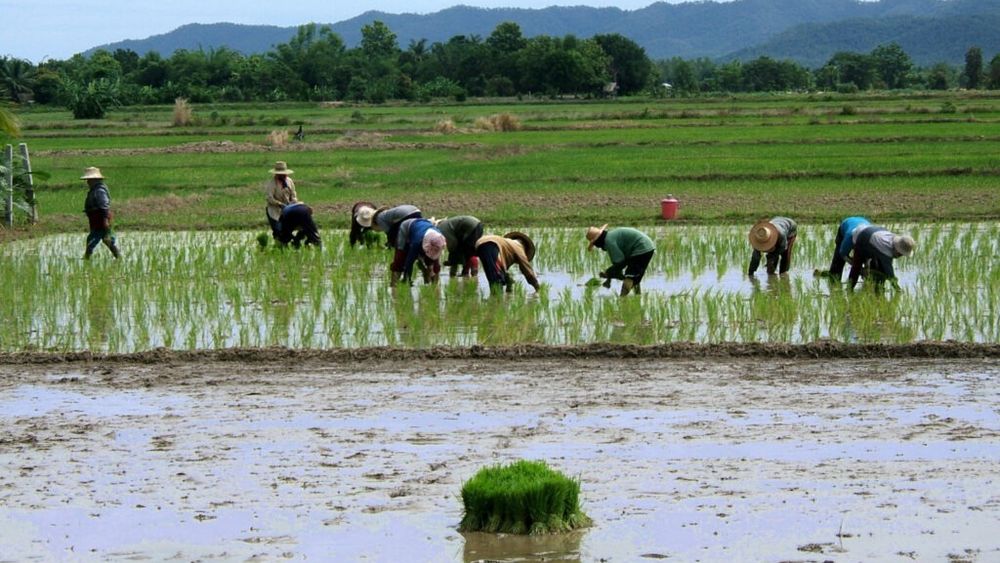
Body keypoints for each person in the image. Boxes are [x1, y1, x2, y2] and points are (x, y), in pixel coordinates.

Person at [586, 225, 655, 296]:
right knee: (635, 276)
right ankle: (637, 295)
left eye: (596, 245)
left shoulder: (609, 241)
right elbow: (622, 262)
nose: (599, 247)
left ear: (598, 241)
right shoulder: (610, 236)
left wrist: (609, 272)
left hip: (641, 248)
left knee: (630, 277)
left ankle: (622, 300)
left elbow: (620, 261)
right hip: (646, 246)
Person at [847, 225, 914, 289]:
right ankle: (849, 289)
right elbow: (889, 272)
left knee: (880, 270)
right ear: (897, 250)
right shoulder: (886, 250)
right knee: (857, 266)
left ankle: (878, 289)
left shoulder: (895, 241)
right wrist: (897, 288)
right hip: (863, 238)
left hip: (876, 235)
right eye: (900, 254)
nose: (900, 256)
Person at [474, 231, 540, 293]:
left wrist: (508, 282)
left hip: (480, 244)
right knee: (496, 279)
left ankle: (495, 299)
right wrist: (537, 286)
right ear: (524, 246)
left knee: (493, 274)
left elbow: (502, 267)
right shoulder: (519, 247)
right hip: (491, 244)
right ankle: (496, 300)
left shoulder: (509, 244)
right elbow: (526, 269)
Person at [81, 166, 121, 259]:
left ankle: (87, 258)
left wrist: (105, 220)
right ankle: (118, 257)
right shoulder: (95, 190)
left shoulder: (99, 191)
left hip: (101, 220)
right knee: (106, 240)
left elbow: (104, 207)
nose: (87, 182)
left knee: (93, 241)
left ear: (95, 180)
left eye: (89, 180)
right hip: (97, 220)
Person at [391, 217, 445, 286]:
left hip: (425, 227)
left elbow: (436, 261)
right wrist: (407, 279)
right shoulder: (416, 242)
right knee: (401, 255)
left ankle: (431, 280)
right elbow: (409, 261)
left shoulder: (439, 238)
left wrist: (435, 279)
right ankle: (394, 284)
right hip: (407, 227)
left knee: (431, 261)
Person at [818, 216, 871, 280]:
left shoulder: (870, 239)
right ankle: (834, 276)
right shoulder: (848, 238)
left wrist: (867, 267)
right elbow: (842, 254)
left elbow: (869, 256)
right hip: (846, 224)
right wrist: (856, 267)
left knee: (865, 257)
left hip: (864, 224)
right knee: (838, 261)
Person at [264, 161, 298, 240]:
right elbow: (269, 198)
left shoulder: (289, 181)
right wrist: (279, 204)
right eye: (281, 174)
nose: (284, 175)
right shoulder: (272, 184)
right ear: (277, 174)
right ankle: (279, 244)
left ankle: (285, 244)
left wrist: (293, 202)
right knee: (278, 230)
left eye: (284, 174)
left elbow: (293, 194)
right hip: (274, 211)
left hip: (287, 209)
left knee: (287, 230)